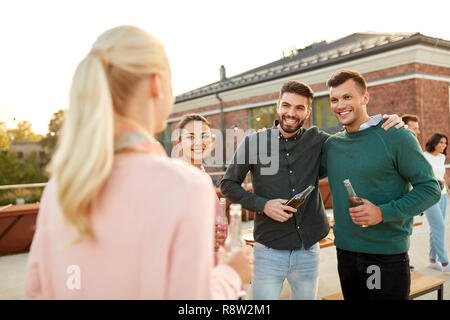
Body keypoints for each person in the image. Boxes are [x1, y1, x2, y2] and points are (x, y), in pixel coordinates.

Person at [25, 25, 253, 299]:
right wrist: (231, 275)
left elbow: (37, 290)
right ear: (156, 84)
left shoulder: (59, 187)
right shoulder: (186, 187)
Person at [220, 80, 404, 300]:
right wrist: (263, 205)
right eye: (286, 105)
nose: (291, 113)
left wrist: (386, 122)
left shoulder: (319, 141)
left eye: (299, 108)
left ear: (308, 112)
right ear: (278, 105)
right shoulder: (254, 142)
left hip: (308, 251)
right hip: (267, 251)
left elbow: (354, 140)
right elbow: (227, 184)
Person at [321, 69, 441, 300]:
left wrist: (381, 212)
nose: (339, 105)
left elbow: (430, 189)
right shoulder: (332, 145)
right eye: (334, 99)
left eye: (347, 97)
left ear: (365, 98)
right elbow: (298, 171)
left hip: (384, 257)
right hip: (345, 253)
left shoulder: (396, 135)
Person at [174, 113, 226, 251]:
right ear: (179, 142)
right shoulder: (177, 178)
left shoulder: (203, 176)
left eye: (204, 136)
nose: (199, 142)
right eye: (191, 137)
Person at [423, 133, 449, 272]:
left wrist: (446, 188)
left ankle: (432, 260)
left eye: (445, 143)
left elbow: (440, 175)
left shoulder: (441, 157)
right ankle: (444, 262)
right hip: (429, 196)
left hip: (443, 194)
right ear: (434, 142)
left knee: (437, 228)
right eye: (441, 142)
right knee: (439, 227)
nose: (443, 145)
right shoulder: (424, 156)